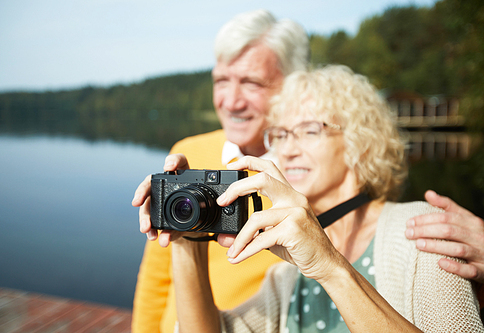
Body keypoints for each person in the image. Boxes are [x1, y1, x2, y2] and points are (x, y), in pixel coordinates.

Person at [157, 65, 483, 332]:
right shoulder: (287, 273)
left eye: (310, 130)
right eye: (281, 134)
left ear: (362, 142)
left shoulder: (420, 228)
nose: (288, 149)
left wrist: (328, 266)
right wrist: (188, 235)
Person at [131, 9, 310, 332]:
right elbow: (156, 279)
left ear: (294, 86)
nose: (230, 101)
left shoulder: (313, 170)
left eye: (251, 82)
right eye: (221, 81)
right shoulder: (190, 152)